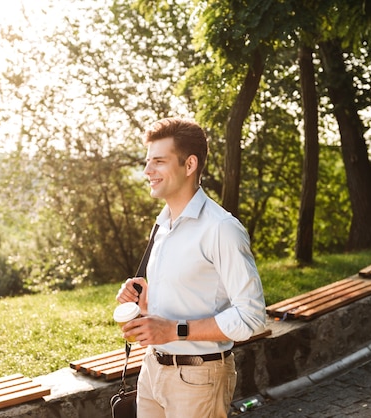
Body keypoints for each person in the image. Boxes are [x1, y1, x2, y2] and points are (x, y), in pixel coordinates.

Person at [116, 117, 266, 418]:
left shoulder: (221, 228)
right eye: (148, 162)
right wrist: (144, 305)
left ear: (189, 165)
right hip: (151, 371)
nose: (148, 171)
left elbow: (252, 317)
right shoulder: (161, 225)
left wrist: (173, 329)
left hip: (199, 379)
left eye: (158, 161)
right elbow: (181, 302)